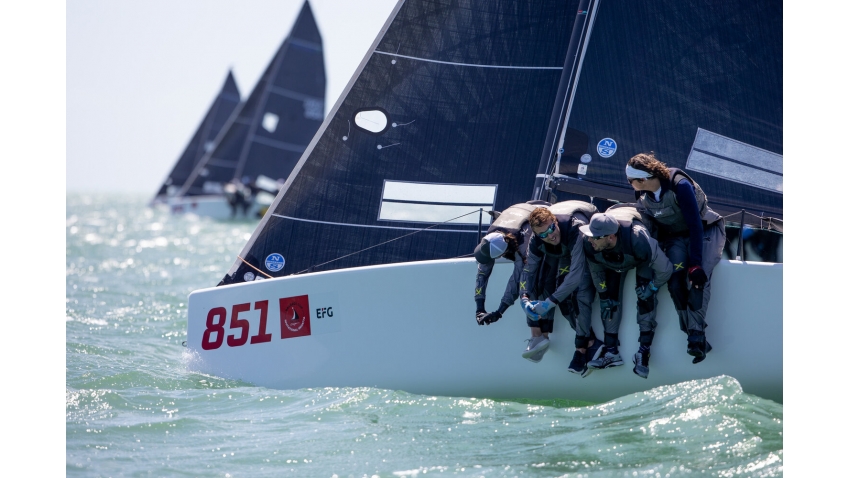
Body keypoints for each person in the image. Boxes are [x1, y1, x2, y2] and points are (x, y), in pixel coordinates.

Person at [626, 153, 726, 364]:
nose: (629, 184)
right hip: (675, 237)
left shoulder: (680, 186)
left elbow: (695, 225)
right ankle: (691, 332)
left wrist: (696, 264)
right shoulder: (642, 194)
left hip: (704, 231)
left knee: (698, 280)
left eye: (630, 180)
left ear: (643, 179)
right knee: (675, 282)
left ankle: (696, 337)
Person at [580, 205, 673, 379]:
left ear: (611, 237)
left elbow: (666, 269)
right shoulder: (590, 243)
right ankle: (611, 352)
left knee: (645, 294)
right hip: (614, 261)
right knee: (609, 302)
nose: (589, 240)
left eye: (595, 238)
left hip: (640, 257)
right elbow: (596, 271)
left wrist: (652, 287)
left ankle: (643, 353)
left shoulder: (639, 240)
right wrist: (603, 294)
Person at [517, 201, 604, 376]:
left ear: (555, 222)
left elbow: (576, 274)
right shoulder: (537, 240)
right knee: (544, 284)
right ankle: (541, 336)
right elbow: (528, 271)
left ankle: (587, 345)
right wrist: (524, 298)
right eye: (543, 235)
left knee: (576, 294)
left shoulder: (574, 229)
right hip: (562, 252)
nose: (550, 236)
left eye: (551, 229)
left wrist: (550, 302)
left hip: (586, 249)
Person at [473, 201, 550, 332]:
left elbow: (516, 281)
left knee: (531, 281)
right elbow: (482, 273)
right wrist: (479, 308)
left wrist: (500, 311)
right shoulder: (491, 237)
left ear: (501, 254)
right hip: (524, 208)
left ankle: (541, 331)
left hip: (544, 215)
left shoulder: (523, 246)